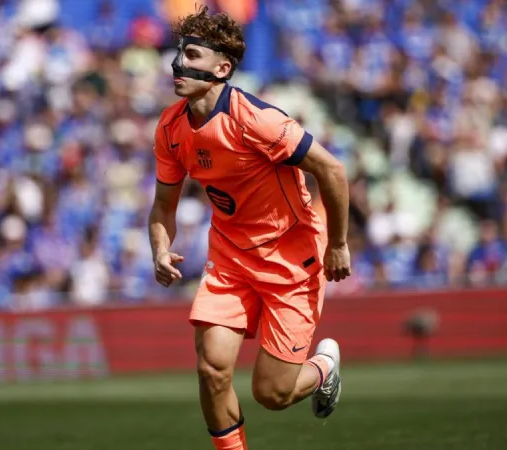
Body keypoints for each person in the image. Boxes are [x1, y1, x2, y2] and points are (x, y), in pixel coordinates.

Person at [147, 7, 351, 450]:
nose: (177, 65)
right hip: (230, 259)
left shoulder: (258, 120)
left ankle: (322, 369)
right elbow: (163, 205)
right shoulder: (170, 127)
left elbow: (331, 170)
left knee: (272, 394)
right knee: (211, 369)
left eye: (192, 55)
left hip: (290, 262)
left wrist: (337, 243)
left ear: (222, 68)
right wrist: (161, 249)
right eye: (178, 53)